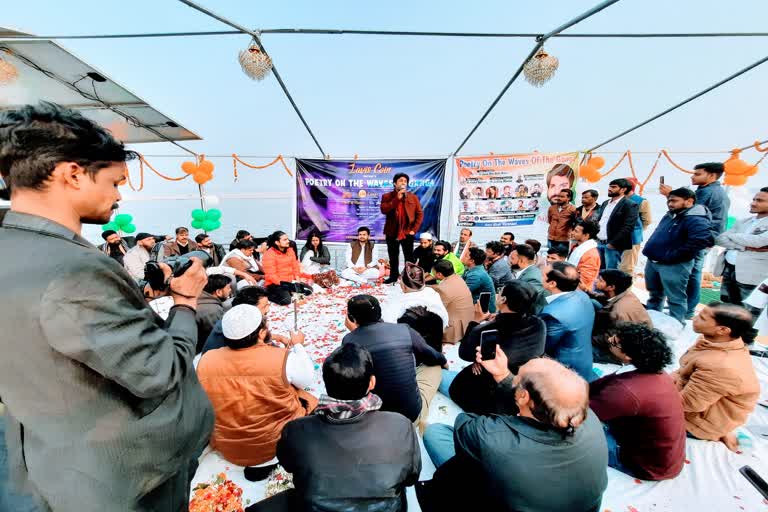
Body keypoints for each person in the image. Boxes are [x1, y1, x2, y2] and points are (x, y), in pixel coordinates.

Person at [0, 102, 213, 510]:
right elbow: (159, 371)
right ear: (73, 173)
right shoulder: (74, 270)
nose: (118, 196)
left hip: (46, 458)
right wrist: (185, 303)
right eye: (115, 182)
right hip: (116, 478)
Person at [419, 353, 607, 512]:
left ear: (524, 397)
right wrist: (503, 375)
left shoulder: (490, 436)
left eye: (516, 376)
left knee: (435, 433)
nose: (513, 377)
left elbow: (465, 426)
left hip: (501, 494)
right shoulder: (588, 418)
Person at [257, 343, 421, 512]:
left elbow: (288, 465)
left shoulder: (296, 430)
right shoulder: (400, 426)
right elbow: (411, 478)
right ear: (372, 382)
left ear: (325, 385)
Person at [197, 305, 317, 473]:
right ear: (261, 333)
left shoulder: (206, 360)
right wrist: (298, 345)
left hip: (228, 446)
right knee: (306, 397)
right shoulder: (281, 358)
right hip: (271, 445)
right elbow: (307, 379)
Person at [590, 323, 686, 481]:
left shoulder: (626, 392)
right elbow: (599, 386)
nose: (609, 341)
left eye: (614, 342)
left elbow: (581, 414)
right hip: (659, 456)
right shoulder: (654, 372)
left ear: (627, 356)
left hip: (644, 465)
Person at [341, 295, 446, 428]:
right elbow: (431, 355)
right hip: (410, 416)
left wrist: (355, 333)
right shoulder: (403, 329)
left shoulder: (349, 341)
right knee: (434, 366)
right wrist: (443, 361)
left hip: (378, 420)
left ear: (351, 318)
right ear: (380, 312)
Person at [443, 281, 546, 414]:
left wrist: (475, 320)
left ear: (503, 300)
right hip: (515, 394)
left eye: (500, 292)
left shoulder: (486, 330)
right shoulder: (539, 325)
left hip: (479, 394)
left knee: (441, 375)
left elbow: (464, 353)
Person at [672, 303, 759, 451]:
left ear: (723, 330)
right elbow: (682, 371)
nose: (694, 318)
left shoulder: (720, 365)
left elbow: (687, 404)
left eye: (702, 318)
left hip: (697, 424)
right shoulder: (714, 341)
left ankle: (718, 431)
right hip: (699, 403)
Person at [662, 163, 730, 319]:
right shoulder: (705, 191)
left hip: (698, 240)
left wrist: (670, 195)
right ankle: (684, 307)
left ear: (712, 176)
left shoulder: (711, 192)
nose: (692, 176)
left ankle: (687, 310)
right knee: (686, 274)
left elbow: (690, 211)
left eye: (698, 174)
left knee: (691, 275)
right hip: (696, 239)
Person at [643, 187, 713, 325]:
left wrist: (672, 256)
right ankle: (652, 320)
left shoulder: (696, 219)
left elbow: (700, 241)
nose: (670, 203)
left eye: (674, 201)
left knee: (675, 298)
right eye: (669, 200)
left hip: (674, 264)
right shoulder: (671, 214)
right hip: (654, 261)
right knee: (654, 294)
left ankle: (676, 325)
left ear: (689, 201)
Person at [540, 262, 596, 381]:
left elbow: (543, 346)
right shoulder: (583, 296)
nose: (540, 276)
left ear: (552, 284)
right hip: (585, 361)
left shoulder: (553, 314)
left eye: (543, 275)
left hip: (566, 371)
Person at [715, 187, 768, 308]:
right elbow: (719, 239)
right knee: (727, 306)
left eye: (759, 200)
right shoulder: (743, 221)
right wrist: (744, 246)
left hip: (753, 273)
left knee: (749, 309)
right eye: (754, 199)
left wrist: (733, 236)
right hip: (729, 269)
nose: (753, 203)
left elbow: (759, 241)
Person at [201, 285, 289, 354]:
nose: (268, 310)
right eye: (264, 306)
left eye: (268, 305)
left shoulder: (237, 318)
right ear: (248, 309)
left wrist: (279, 337)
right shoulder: (237, 331)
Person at [380, 173, 424, 284]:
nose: (403, 182)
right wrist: (396, 199)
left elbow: (419, 214)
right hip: (392, 232)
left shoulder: (413, 197)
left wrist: (414, 230)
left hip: (407, 232)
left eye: (405, 181)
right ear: (395, 183)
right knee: (393, 256)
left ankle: (409, 277)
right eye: (401, 180)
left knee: (409, 257)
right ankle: (393, 276)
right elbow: (384, 210)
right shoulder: (387, 196)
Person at [381, 263, 449, 330]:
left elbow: (389, 325)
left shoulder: (405, 307)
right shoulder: (431, 293)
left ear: (404, 285)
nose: (399, 282)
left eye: (400, 280)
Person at [595, 178, 639, 270]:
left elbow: (628, 227)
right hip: (598, 242)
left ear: (623, 189)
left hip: (613, 245)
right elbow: (600, 221)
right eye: (609, 186)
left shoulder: (630, 204)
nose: (609, 189)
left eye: (614, 187)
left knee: (611, 273)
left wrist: (613, 243)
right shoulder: (605, 203)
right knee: (599, 271)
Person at [593, 269, 652, 336]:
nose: (595, 281)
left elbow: (616, 338)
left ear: (611, 287)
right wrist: (587, 291)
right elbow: (607, 298)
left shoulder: (618, 312)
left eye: (600, 280)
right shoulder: (625, 293)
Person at [434, 259, 475, 344]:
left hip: (454, 330)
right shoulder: (457, 278)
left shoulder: (443, 289)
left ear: (439, 274)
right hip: (467, 321)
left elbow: (436, 311)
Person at [619, 178, 652, 275]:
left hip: (631, 239)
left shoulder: (641, 201)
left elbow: (647, 220)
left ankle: (626, 289)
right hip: (615, 238)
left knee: (627, 267)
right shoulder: (616, 200)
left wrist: (636, 230)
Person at [262, 230, 304, 305]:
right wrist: (288, 286)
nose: (288, 241)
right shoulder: (269, 254)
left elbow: (295, 266)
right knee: (286, 300)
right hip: (275, 283)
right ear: (277, 243)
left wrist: (297, 280)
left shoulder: (290, 250)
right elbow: (271, 276)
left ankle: (289, 291)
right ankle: (266, 293)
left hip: (290, 281)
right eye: (285, 240)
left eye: (287, 239)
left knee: (307, 291)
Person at [195, 274, 233, 354]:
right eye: (228, 288)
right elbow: (219, 335)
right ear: (218, 292)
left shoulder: (199, 298)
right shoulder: (213, 310)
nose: (230, 290)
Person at [509, 243, 549, 311]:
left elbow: (525, 302)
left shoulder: (532, 278)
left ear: (522, 260)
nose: (510, 261)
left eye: (512, 258)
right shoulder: (529, 272)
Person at [461, 247, 497, 313]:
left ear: (472, 261)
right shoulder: (472, 269)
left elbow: (462, 293)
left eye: (466, 256)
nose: (463, 257)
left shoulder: (476, 275)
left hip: (484, 311)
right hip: (474, 304)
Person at [568, 220, 602, 291]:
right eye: (573, 230)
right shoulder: (576, 247)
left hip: (579, 292)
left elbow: (584, 281)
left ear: (586, 235)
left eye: (576, 231)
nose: (572, 233)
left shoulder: (590, 254)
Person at [547, 188, 576, 252]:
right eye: (559, 196)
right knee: (551, 256)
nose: (559, 198)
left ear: (569, 198)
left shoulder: (573, 209)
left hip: (563, 239)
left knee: (560, 258)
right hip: (551, 238)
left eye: (562, 197)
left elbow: (574, 224)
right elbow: (550, 221)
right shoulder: (552, 208)